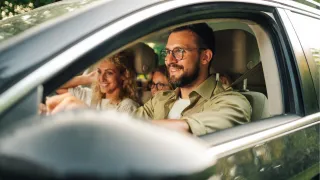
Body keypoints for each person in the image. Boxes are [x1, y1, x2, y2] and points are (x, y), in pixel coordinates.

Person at [46, 23, 252, 136]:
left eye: (179, 52)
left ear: (205, 57)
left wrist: (95, 120)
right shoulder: (161, 99)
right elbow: (127, 125)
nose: (170, 60)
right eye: (167, 52)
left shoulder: (232, 102)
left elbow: (186, 129)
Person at [48, 51, 140, 114]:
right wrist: (87, 78)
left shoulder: (127, 107)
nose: (102, 78)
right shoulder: (90, 96)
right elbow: (58, 86)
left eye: (109, 73)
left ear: (124, 76)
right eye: (99, 72)